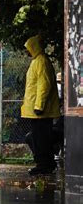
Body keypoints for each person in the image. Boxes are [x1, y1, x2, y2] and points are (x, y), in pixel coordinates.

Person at [22, 35, 60, 175]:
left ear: (34, 47)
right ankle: (45, 164)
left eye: (28, 48)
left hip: (40, 111)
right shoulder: (38, 61)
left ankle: (44, 165)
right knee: (39, 138)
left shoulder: (41, 62)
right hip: (37, 110)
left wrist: (39, 106)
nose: (27, 51)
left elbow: (44, 85)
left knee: (41, 139)